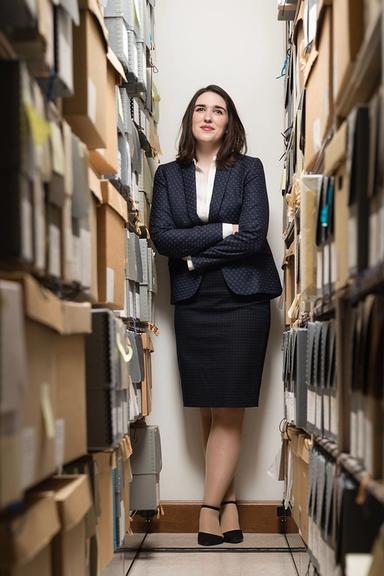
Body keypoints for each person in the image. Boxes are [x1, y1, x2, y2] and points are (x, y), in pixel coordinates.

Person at [149, 85, 282, 546]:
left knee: (229, 406)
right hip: (194, 303)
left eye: (218, 110)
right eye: (201, 109)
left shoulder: (248, 169)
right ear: (190, 119)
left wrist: (196, 256)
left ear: (230, 122)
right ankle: (227, 502)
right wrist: (223, 228)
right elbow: (163, 237)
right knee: (210, 401)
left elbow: (255, 235)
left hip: (243, 299)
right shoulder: (168, 175)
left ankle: (206, 509)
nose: (208, 116)